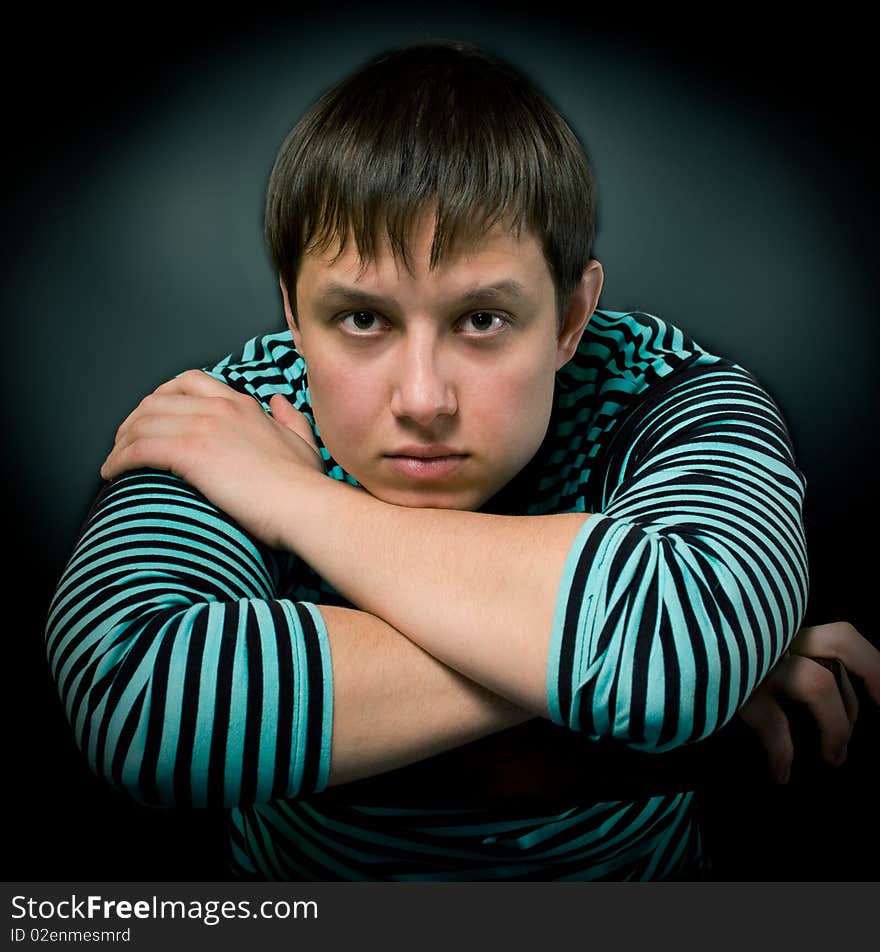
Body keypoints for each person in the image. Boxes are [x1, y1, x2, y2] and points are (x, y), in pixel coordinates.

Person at [45, 41, 880, 880]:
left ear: (570, 317)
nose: (421, 399)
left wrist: (293, 498)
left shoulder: (670, 394)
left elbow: (677, 646)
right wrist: (665, 670)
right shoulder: (233, 418)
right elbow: (141, 704)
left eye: (481, 320)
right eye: (362, 320)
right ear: (293, 317)